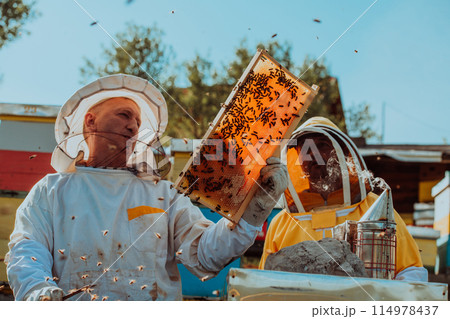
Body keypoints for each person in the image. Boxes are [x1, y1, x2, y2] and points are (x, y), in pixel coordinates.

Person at [5, 74, 288, 301]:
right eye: (124, 115)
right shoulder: (51, 191)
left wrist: (253, 211)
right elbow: (27, 249)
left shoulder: (162, 194)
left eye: (138, 122)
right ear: (90, 120)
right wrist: (37, 293)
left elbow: (205, 256)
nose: (133, 127)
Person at [259, 117, 428, 282]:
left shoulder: (376, 208)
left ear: (343, 152)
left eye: (322, 145)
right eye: (305, 149)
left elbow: (412, 272)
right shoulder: (281, 223)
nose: (313, 154)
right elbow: (263, 283)